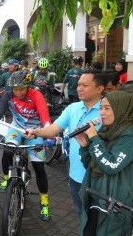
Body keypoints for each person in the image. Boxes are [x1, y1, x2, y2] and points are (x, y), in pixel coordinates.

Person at [25, 70, 106, 222]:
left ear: (99, 88)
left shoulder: (107, 111)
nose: (79, 88)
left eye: (85, 85)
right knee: (81, 216)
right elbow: (55, 128)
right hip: (75, 175)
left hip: (98, 179)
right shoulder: (72, 108)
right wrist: (35, 131)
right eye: (79, 84)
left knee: (98, 221)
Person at [74, 91, 133, 236]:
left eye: (107, 108)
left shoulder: (129, 137)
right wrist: (85, 145)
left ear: (121, 109)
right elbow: (92, 165)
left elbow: (112, 165)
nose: (102, 113)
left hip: (117, 207)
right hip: (98, 200)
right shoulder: (107, 133)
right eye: (101, 108)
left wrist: (93, 138)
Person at [0, 70, 52, 221]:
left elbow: (45, 116)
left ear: (28, 86)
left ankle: (44, 201)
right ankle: (6, 177)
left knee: (39, 167)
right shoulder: (8, 95)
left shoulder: (36, 95)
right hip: (17, 128)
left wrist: (48, 133)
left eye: (22, 88)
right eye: (15, 89)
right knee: (7, 151)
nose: (18, 92)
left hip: (35, 131)